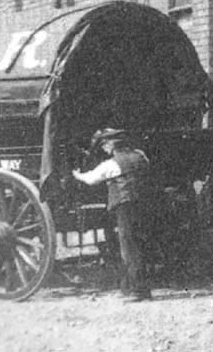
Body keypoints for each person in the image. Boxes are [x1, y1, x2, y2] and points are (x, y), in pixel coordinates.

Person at [72, 128, 152, 301]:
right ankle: (141, 288)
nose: (104, 150)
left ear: (111, 146)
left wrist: (76, 175)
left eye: (105, 146)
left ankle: (137, 291)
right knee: (140, 244)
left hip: (124, 207)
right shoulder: (140, 155)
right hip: (143, 204)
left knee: (128, 248)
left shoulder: (111, 164)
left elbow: (91, 179)